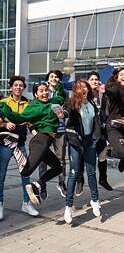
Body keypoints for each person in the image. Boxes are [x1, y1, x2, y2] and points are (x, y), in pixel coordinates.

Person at [0, 81, 65, 205]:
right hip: (40, 141)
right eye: (41, 91)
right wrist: (4, 108)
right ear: (36, 94)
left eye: (46, 90)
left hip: (47, 142)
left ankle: (37, 184)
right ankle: (13, 146)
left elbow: (61, 97)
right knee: (26, 171)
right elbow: (18, 118)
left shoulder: (52, 102)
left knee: (57, 168)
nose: (45, 93)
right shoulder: (34, 107)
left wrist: (59, 84)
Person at [63, 79, 101, 224]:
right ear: (75, 90)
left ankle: (95, 200)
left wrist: (96, 138)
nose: (83, 89)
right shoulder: (71, 103)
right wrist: (62, 115)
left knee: (91, 172)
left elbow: (96, 122)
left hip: (89, 142)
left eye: (85, 87)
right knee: (74, 173)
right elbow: (67, 112)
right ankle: (68, 206)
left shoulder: (91, 104)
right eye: (80, 88)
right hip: (76, 142)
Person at [0, 76, 39, 219]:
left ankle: (26, 203)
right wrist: (4, 124)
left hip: (21, 145)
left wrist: (36, 134)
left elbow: (31, 123)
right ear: (11, 87)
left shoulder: (28, 103)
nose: (18, 87)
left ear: (23, 88)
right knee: (1, 175)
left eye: (21, 85)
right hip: (5, 145)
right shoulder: (3, 102)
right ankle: (0, 203)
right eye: (15, 85)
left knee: (25, 174)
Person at [38, 70, 68, 199]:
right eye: (51, 76)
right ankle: (42, 183)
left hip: (60, 129)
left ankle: (61, 182)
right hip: (45, 129)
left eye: (56, 77)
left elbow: (67, 109)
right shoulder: (43, 91)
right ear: (47, 79)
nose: (54, 78)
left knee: (61, 158)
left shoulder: (64, 93)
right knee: (42, 159)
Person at [86, 71, 112, 191]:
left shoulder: (102, 95)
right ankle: (81, 179)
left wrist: (104, 90)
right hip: (87, 131)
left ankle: (103, 179)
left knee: (102, 155)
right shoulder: (85, 94)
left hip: (100, 129)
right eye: (92, 80)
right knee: (84, 156)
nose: (95, 82)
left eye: (96, 79)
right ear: (88, 82)